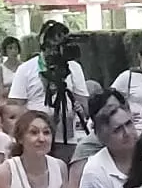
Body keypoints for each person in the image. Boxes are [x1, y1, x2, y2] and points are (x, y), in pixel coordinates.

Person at [8, 21, 92, 154]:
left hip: (66, 140)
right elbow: (15, 110)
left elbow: (85, 108)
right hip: (35, 140)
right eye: (54, 45)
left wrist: (79, 109)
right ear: (44, 45)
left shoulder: (74, 68)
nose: (56, 50)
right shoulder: (25, 69)